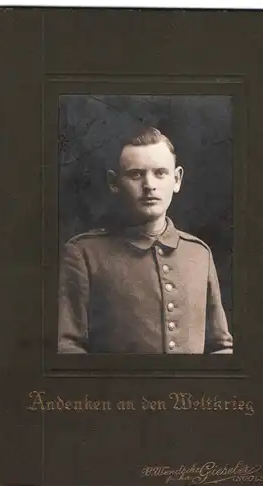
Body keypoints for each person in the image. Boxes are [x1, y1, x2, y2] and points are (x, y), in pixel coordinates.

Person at [58, 127, 233, 354]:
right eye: (136, 174)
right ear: (114, 182)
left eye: (160, 173)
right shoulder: (84, 254)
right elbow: (68, 347)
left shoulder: (199, 254)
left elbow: (220, 348)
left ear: (177, 179)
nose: (149, 185)